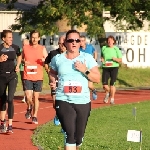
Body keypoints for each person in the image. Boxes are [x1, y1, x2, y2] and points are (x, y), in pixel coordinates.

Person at [49, 30, 100, 150]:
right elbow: (52, 72)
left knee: (78, 138)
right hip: (63, 99)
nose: (74, 43)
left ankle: (77, 143)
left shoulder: (87, 58)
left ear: (80, 42)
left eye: (77, 40)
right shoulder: (57, 59)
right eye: (71, 40)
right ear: (65, 43)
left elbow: (97, 78)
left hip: (83, 101)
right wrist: (53, 81)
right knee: (70, 135)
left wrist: (84, 70)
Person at [22, 30, 48, 124]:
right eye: (32, 37)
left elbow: (47, 59)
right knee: (28, 97)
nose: (34, 39)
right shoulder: (26, 48)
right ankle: (29, 106)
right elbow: (21, 58)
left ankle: (35, 116)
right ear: (30, 38)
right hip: (27, 75)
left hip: (38, 76)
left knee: (35, 97)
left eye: (36, 37)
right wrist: (23, 62)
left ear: (39, 38)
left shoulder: (42, 48)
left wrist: (44, 60)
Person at [0, 30, 22, 133]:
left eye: (11, 37)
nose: (11, 39)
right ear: (3, 38)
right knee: (2, 99)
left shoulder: (16, 47)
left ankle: (10, 125)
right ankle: (2, 122)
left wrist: (17, 65)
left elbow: (19, 55)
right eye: (9, 37)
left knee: (10, 99)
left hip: (12, 76)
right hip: (1, 77)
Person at [44, 36, 66, 126]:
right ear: (58, 44)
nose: (62, 46)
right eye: (61, 44)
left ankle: (64, 120)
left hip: (66, 81)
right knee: (55, 102)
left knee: (65, 102)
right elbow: (45, 63)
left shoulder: (71, 54)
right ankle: (58, 114)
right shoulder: (53, 53)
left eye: (64, 44)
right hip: (55, 80)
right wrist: (49, 72)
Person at [101, 35, 122, 104]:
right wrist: (102, 59)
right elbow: (102, 56)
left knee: (112, 84)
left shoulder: (116, 49)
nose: (109, 42)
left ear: (113, 41)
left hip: (114, 67)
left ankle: (112, 99)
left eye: (111, 41)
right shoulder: (104, 48)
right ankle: (108, 93)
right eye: (108, 41)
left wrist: (115, 59)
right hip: (106, 67)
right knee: (104, 85)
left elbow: (120, 60)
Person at [79, 35, 98, 100]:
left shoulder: (90, 47)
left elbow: (95, 51)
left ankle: (94, 90)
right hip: (81, 69)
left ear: (85, 41)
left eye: (82, 41)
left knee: (89, 85)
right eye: (79, 41)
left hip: (89, 69)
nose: (81, 42)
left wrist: (94, 60)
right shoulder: (78, 49)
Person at [19, 39, 29, 103]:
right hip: (22, 68)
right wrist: (23, 61)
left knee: (29, 82)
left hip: (29, 69)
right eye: (23, 44)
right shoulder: (20, 50)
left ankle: (28, 96)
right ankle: (25, 97)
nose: (23, 45)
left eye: (25, 44)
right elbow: (18, 58)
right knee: (24, 82)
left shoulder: (30, 50)